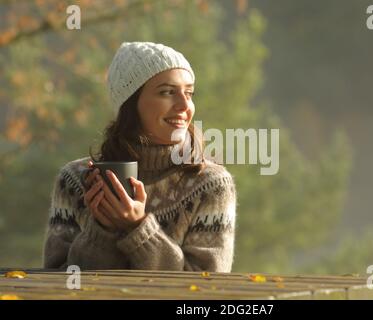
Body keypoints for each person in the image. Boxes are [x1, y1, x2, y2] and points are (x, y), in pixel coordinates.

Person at [42, 42, 237, 272]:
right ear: (130, 104)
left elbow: (206, 288)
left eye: (189, 93)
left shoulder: (211, 185)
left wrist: (139, 228)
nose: (185, 105)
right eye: (167, 92)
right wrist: (103, 230)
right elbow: (57, 279)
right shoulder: (74, 181)